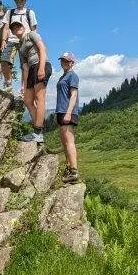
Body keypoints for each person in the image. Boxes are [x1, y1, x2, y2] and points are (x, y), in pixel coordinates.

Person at [9, 20, 50, 143]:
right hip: (31, 70)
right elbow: (25, 68)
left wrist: (42, 67)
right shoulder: (20, 47)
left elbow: (42, 48)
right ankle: (38, 130)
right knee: (27, 100)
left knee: (39, 98)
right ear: (12, 32)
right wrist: (24, 86)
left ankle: (37, 133)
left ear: (23, 27)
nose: (17, 29)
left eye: (18, 26)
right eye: (14, 28)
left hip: (40, 64)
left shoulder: (31, 34)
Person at [0, 0, 38, 93]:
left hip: (26, 40)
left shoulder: (30, 12)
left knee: (25, 65)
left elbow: (34, 28)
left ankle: (23, 88)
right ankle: (8, 84)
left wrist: (35, 42)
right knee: (4, 60)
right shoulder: (10, 12)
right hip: (11, 40)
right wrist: (3, 40)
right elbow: (6, 27)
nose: (18, 0)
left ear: (24, 0)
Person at [56, 52, 81, 184]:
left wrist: (68, 113)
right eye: (62, 61)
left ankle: (74, 171)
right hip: (61, 111)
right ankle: (69, 167)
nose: (64, 63)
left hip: (67, 112)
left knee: (69, 141)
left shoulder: (73, 76)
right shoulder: (63, 77)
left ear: (72, 63)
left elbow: (73, 95)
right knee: (65, 142)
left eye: (66, 61)